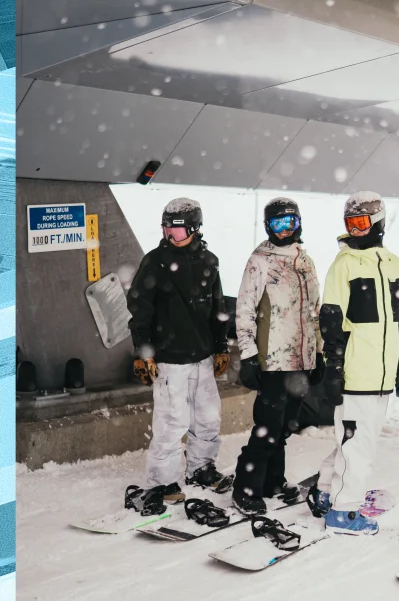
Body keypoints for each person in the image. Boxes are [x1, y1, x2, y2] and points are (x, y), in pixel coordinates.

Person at [307, 192, 399, 535]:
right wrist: (334, 367)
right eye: (350, 224)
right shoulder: (345, 265)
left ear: (378, 222)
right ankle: (344, 510)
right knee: (358, 446)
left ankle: (326, 491)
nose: (355, 231)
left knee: (351, 440)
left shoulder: (392, 262)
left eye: (361, 224)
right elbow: (332, 320)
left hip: (381, 373)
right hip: (356, 373)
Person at [128, 198, 231, 507]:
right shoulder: (155, 261)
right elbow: (140, 309)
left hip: (202, 356)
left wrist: (221, 346)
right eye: (166, 229)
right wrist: (143, 351)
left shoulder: (209, 261)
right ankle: (161, 483)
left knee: (208, 418)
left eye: (176, 230)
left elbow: (218, 309)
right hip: (170, 360)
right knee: (171, 423)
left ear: (195, 229)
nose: (170, 235)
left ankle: (201, 469)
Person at [231, 197, 324, 516]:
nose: (283, 231)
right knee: (268, 426)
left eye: (289, 224)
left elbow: (315, 311)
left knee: (286, 424)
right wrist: (247, 355)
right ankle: (246, 486)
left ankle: (272, 480)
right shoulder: (260, 260)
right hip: (272, 361)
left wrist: (318, 353)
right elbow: (243, 309)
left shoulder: (305, 261)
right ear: (267, 227)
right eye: (276, 225)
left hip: (301, 360)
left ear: (298, 224)